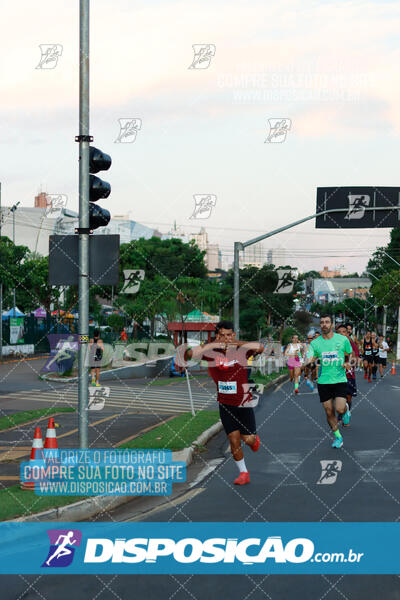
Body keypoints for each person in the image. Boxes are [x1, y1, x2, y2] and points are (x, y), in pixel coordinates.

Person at [183, 320, 264, 485]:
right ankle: (243, 473)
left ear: (233, 335)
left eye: (229, 335)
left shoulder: (242, 350)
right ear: (217, 335)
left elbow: (261, 347)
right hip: (225, 403)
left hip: (243, 402)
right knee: (233, 439)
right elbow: (189, 354)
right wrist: (211, 344)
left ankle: (254, 440)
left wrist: (236, 343)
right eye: (222, 335)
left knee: (248, 440)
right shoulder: (211, 351)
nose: (225, 338)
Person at [305, 315, 352, 448]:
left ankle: (346, 409)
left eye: (327, 322)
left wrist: (347, 363)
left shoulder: (342, 340)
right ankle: (338, 437)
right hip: (323, 381)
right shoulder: (315, 343)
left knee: (339, 408)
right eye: (322, 323)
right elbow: (310, 358)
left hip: (339, 379)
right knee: (329, 411)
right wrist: (307, 362)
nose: (324, 324)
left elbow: (350, 353)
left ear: (331, 324)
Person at [336, 324, 357, 426]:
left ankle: (346, 413)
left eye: (343, 332)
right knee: (339, 398)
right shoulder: (333, 344)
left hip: (349, 375)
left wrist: (350, 358)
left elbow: (356, 358)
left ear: (347, 333)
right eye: (339, 332)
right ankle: (340, 415)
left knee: (348, 398)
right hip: (337, 375)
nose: (341, 334)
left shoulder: (351, 344)